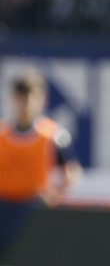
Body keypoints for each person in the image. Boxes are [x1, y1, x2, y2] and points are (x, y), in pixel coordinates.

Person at [0, 69, 81, 255]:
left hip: (32, 208)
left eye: (32, 97)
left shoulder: (52, 135)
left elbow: (72, 172)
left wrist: (55, 193)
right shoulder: (2, 134)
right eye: (22, 97)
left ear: (41, 99)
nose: (27, 104)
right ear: (14, 98)